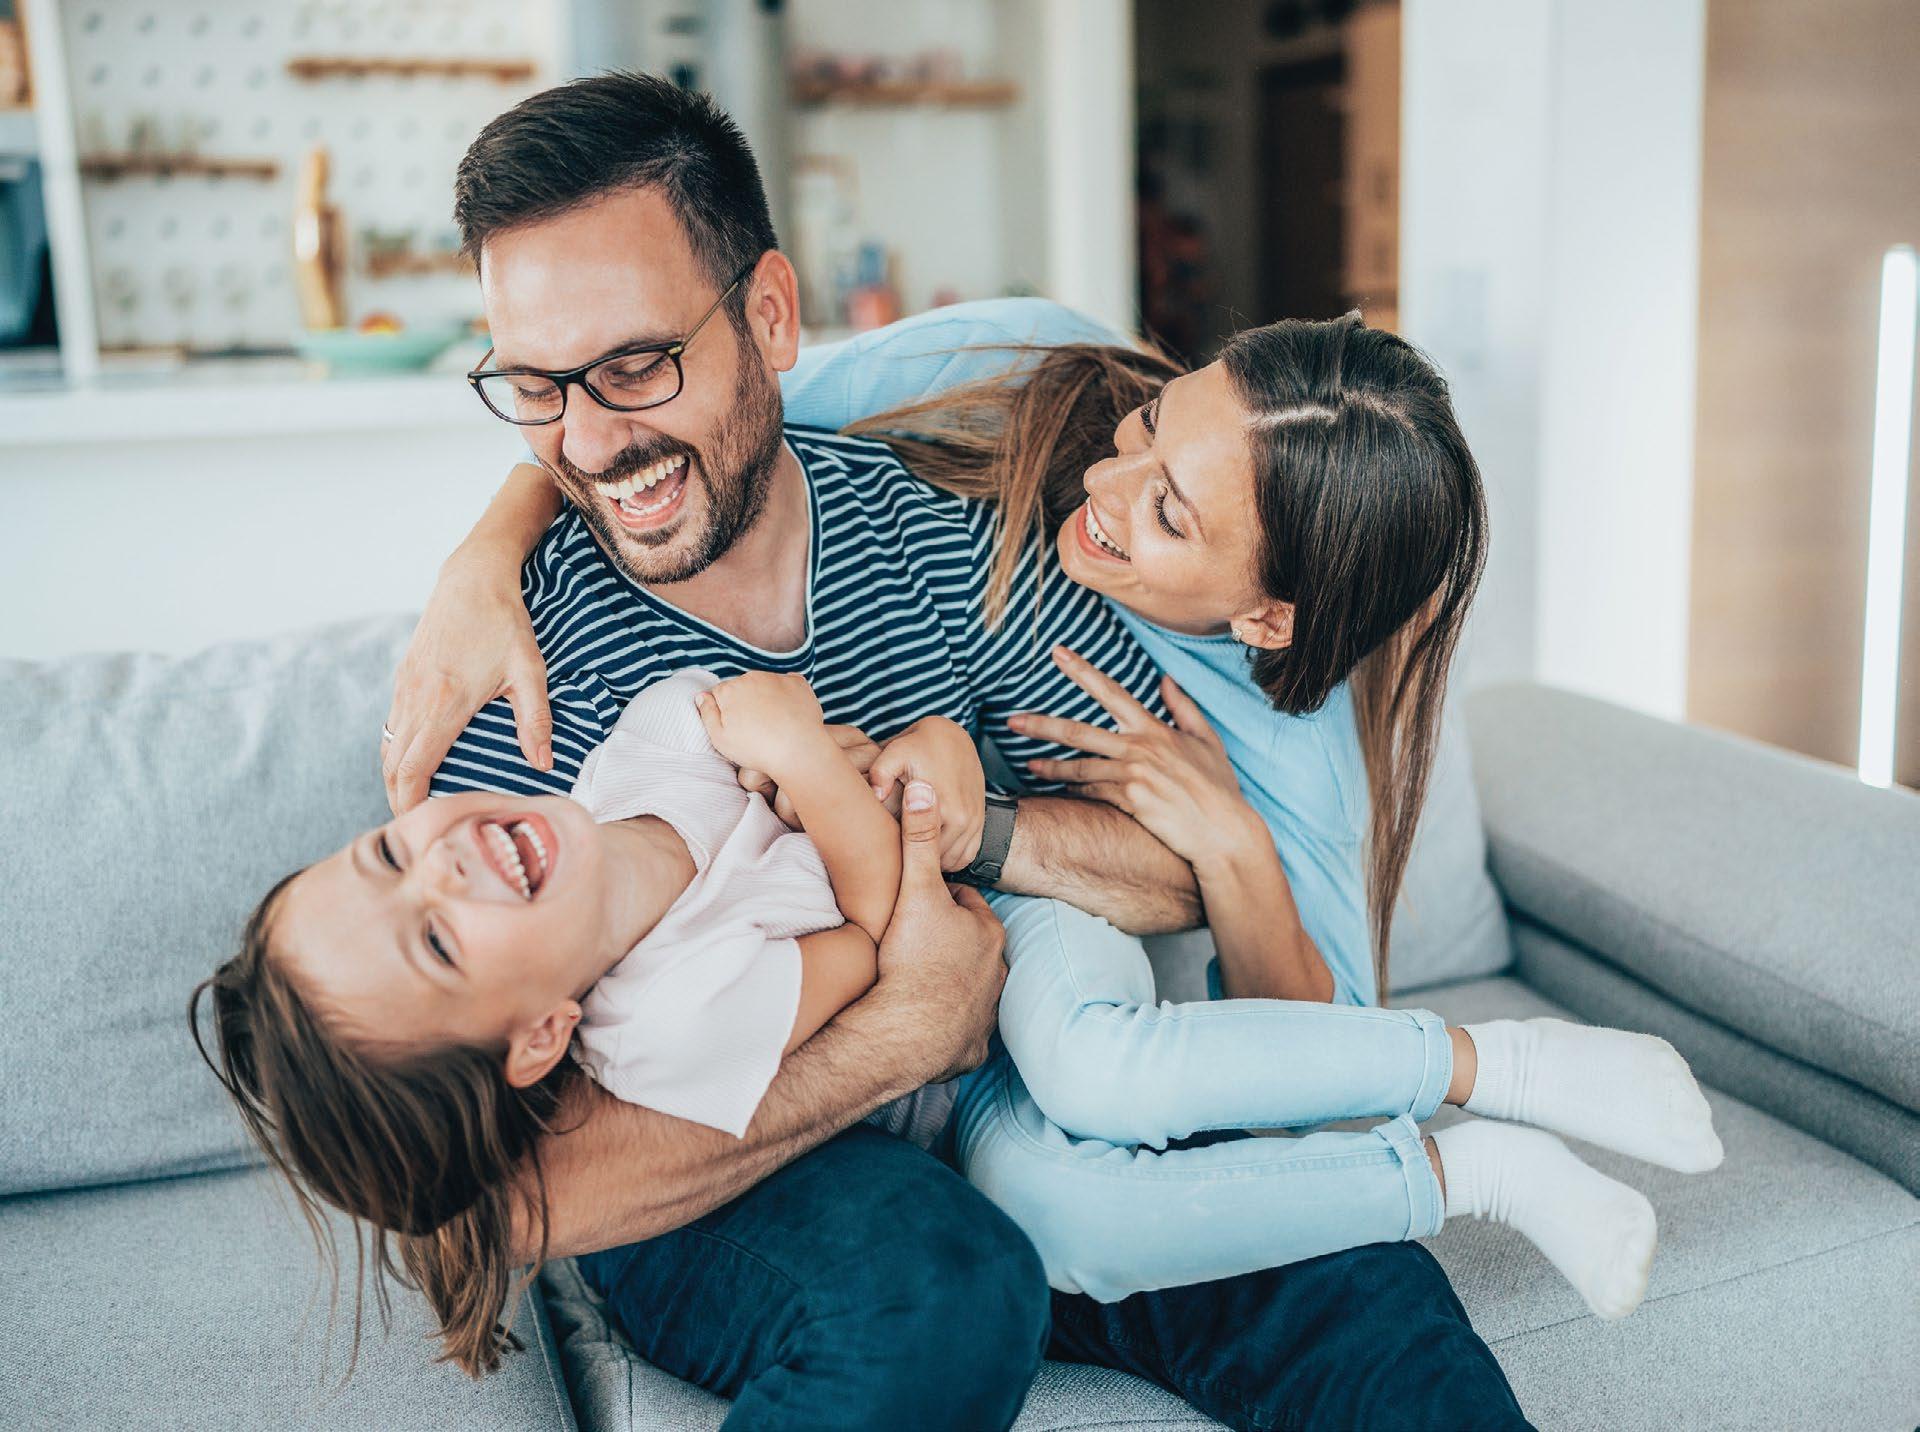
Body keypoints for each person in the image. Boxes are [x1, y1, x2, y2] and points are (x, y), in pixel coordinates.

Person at [370, 70, 1532, 1429]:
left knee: (1351, 1278)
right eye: (533, 386)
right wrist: (895, 1035)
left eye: (636, 367)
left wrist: (990, 826)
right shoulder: (510, 664)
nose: (589, 440)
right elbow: (488, 1192)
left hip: (996, 1120)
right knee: (941, 1284)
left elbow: (1170, 863)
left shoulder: (942, 543)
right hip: (727, 1181)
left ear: (769, 315)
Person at [193, 650, 1719, 1379]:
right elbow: (897, 969)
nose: (445, 862)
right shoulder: (649, 1017)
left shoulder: (654, 731)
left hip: (1018, 952)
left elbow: (954, 912)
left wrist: (932, 802)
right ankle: (1468, 1153)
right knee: (1046, 1215)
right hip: (926, 1031)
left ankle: (1495, 1082)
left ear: (764, 312)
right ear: (530, 1035)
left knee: (1176, 1147)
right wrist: (829, 781)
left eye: (387, 855)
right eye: (436, 939)